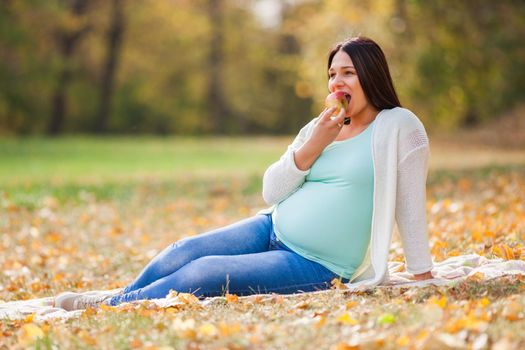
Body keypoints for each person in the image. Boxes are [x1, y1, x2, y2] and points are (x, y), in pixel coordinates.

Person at [55, 36, 434, 311]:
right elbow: (272, 190)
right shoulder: (321, 127)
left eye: (348, 73)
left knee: (203, 273)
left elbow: (411, 206)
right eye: (332, 74)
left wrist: (422, 277)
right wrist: (313, 144)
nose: (337, 83)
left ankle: (108, 307)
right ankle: (118, 298)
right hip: (271, 226)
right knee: (182, 251)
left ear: (372, 75)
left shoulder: (399, 127)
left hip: (317, 262)